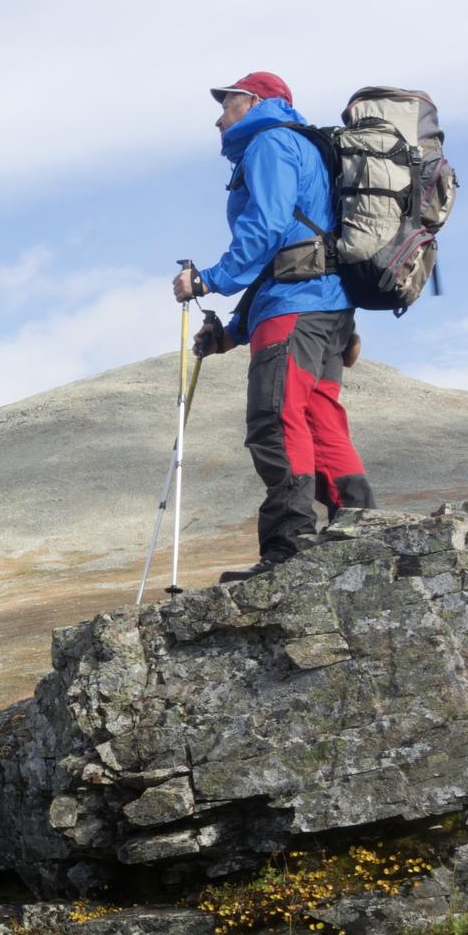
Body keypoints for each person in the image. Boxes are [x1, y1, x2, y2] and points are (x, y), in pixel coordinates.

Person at [173, 71, 375, 582]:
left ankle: (290, 547)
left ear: (253, 101)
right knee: (318, 415)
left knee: (275, 416)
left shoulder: (270, 143)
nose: (219, 115)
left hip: (294, 305)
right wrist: (234, 332)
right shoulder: (306, 147)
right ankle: (358, 527)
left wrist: (208, 281)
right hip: (327, 308)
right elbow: (289, 244)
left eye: (227, 102)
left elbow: (264, 229)